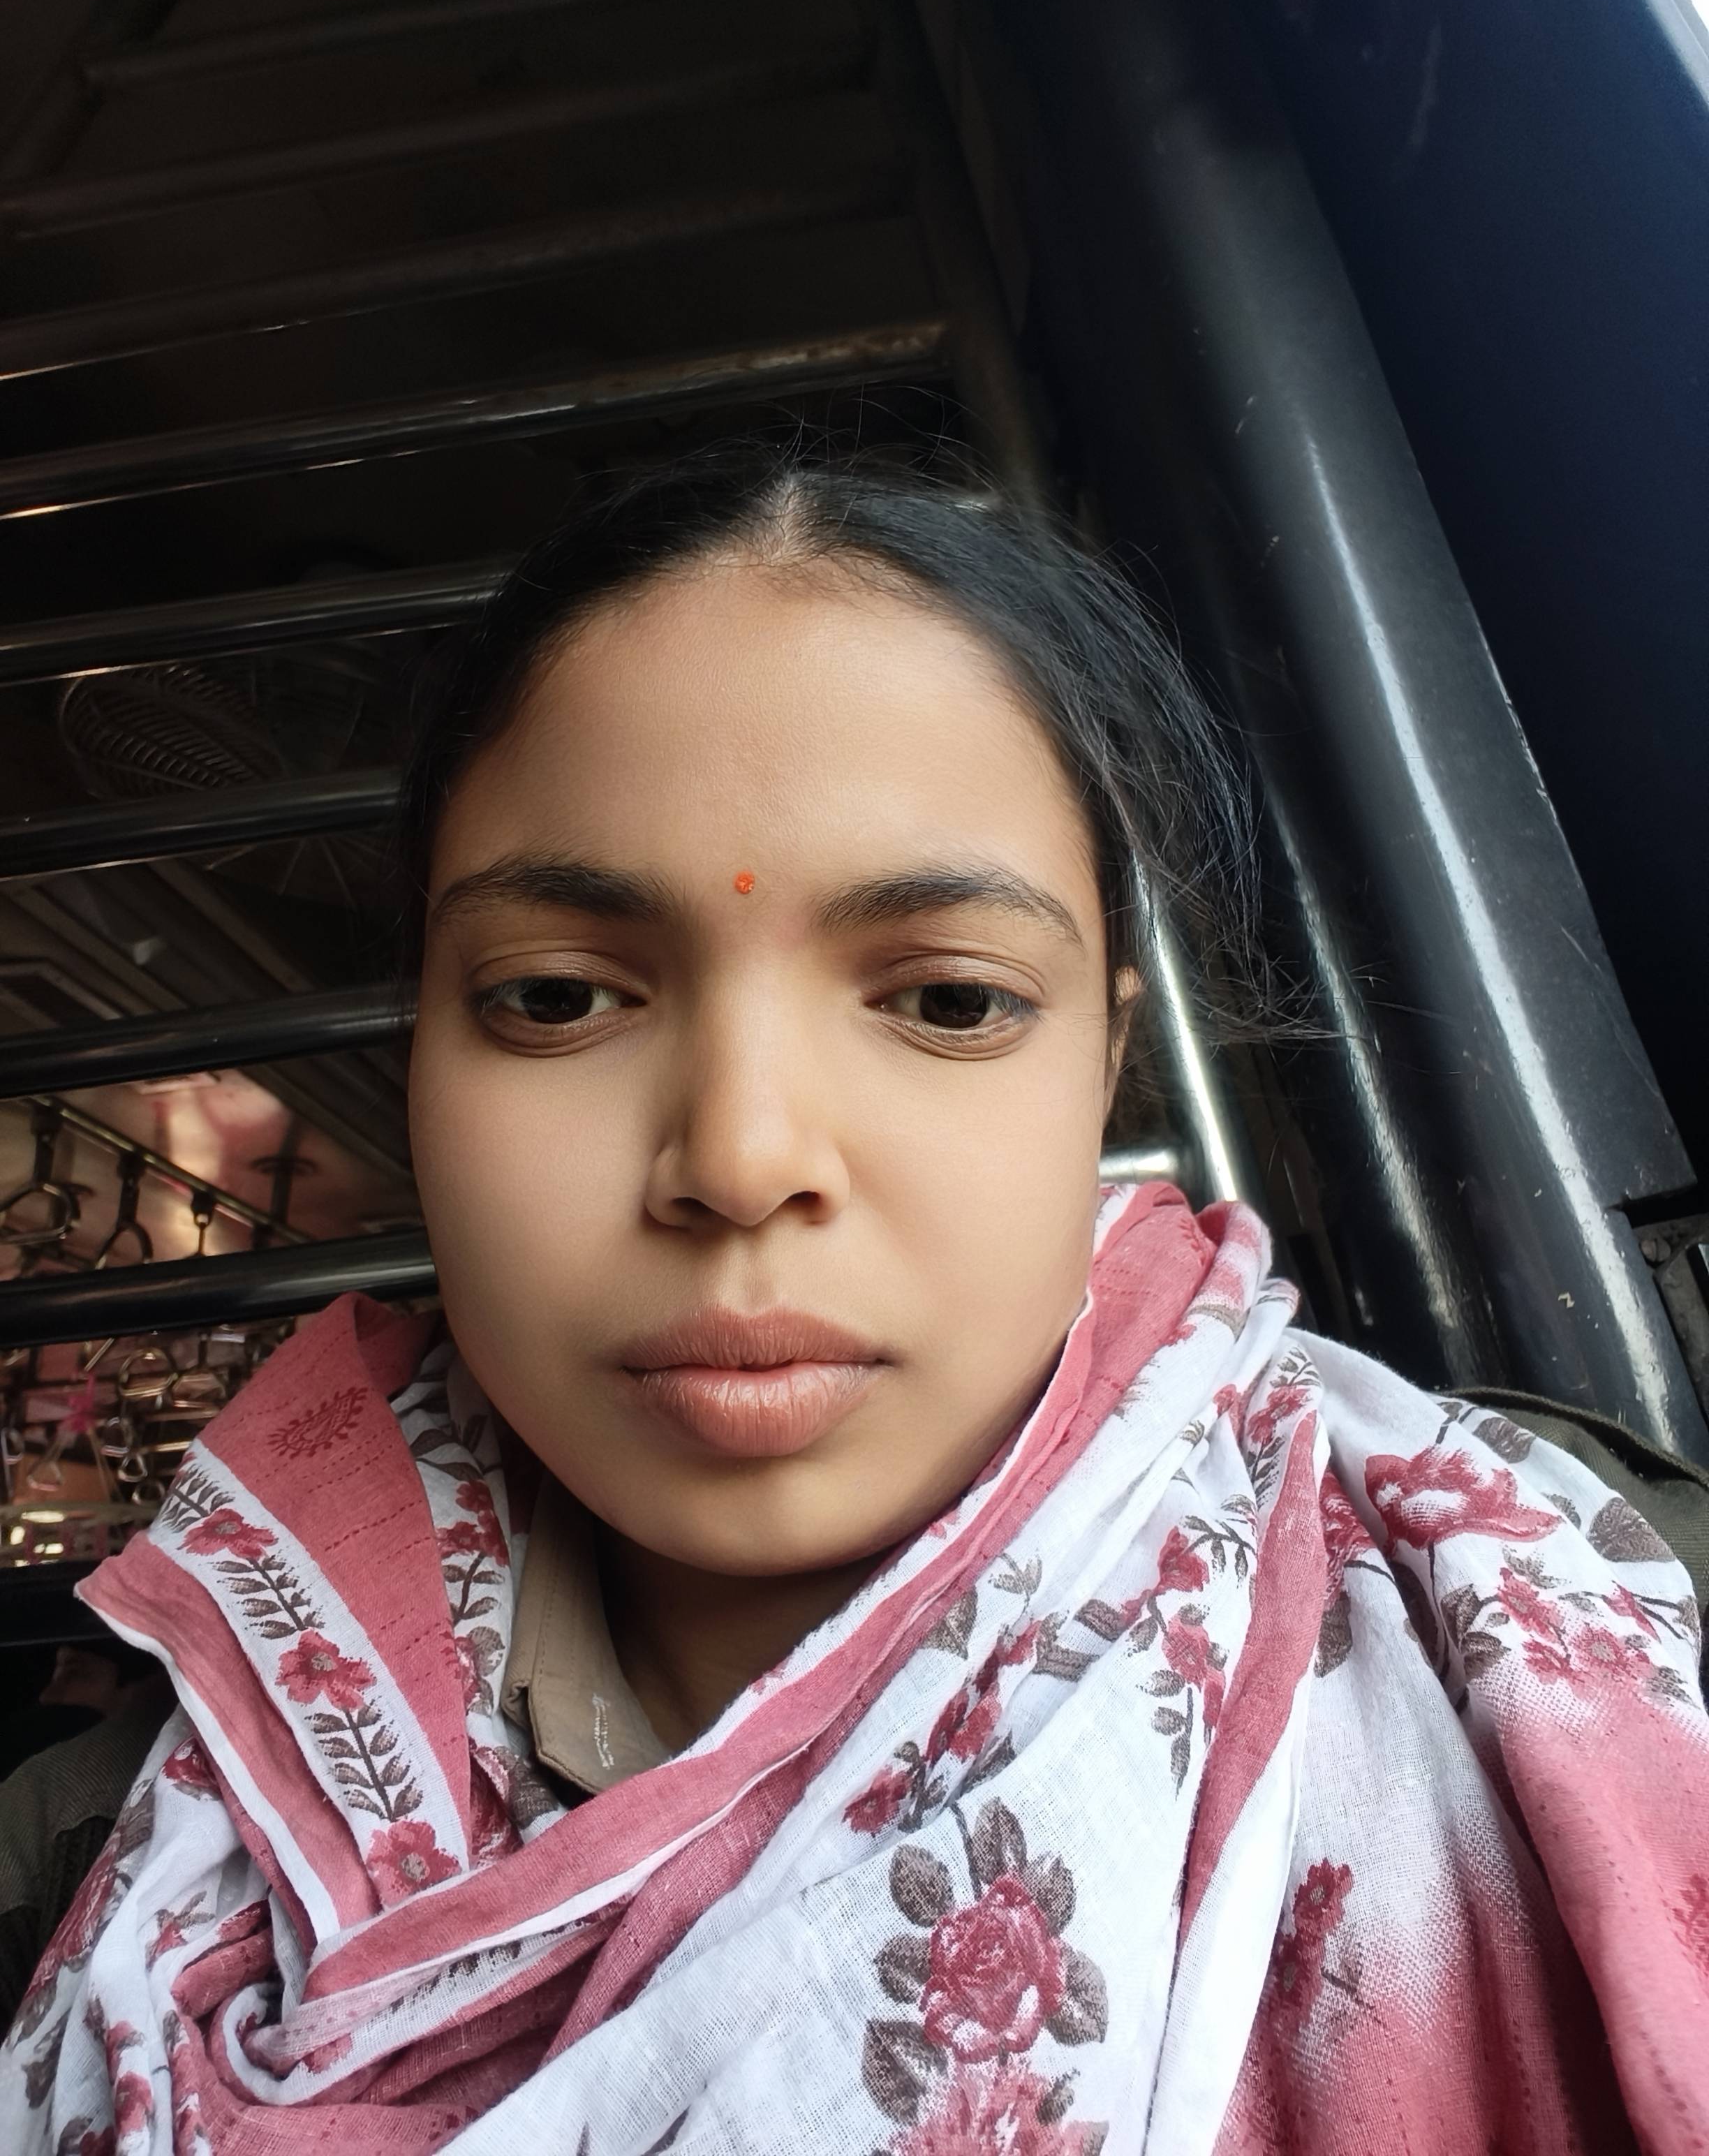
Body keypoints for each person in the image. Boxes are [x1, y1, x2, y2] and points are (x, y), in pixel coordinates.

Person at [3, 449, 1708, 2154]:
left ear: (1106, 1063)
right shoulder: (93, 1853)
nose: (742, 1161)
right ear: (419, 1062)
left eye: (951, 1002)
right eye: (558, 996)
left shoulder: (1599, 1639)